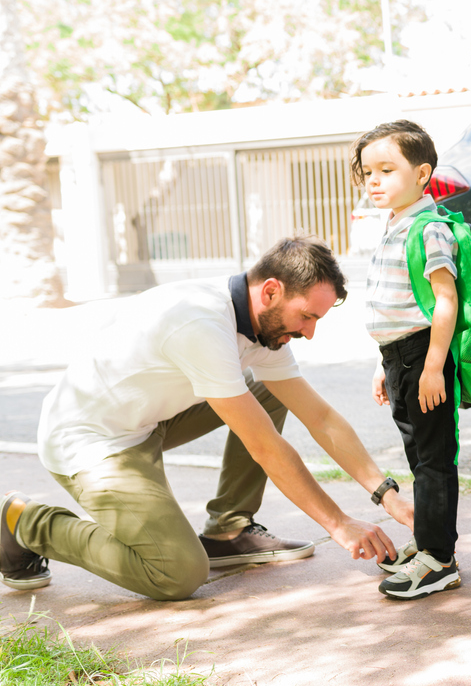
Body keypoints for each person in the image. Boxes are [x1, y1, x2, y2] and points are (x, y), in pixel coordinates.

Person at [1, 237, 413, 601]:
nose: (309, 333)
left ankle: (228, 531)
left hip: (147, 420)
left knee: (266, 388)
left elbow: (321, 417)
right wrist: (338, 523)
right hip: (92, 442)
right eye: (307, 316)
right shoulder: (202, 322)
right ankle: (24, 521)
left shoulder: (262, 327)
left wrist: (386, 494)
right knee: (176, 572)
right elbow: (264, 445)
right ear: (271, 290)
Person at [353, 119, 464, 600]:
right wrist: (384, 363)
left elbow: (444, 300)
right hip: (400, 356)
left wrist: (434, 365)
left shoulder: (429, 228)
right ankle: (430, 549)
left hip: (423, 355)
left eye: (386, 170)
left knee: (434, 460)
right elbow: (401, 302)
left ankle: (439, 559)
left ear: (422, 174)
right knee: (420, 457)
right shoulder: (395, 226)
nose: (374, 181)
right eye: (367, 172)